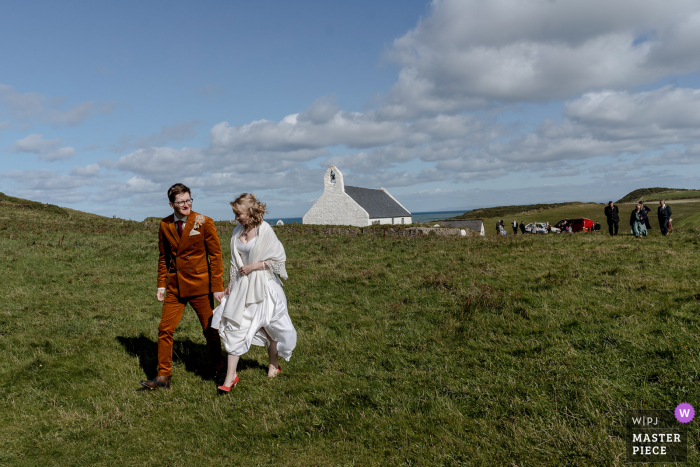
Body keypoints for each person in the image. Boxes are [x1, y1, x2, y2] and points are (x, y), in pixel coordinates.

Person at [140, 183, 225, 390]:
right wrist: (161, 284)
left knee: (210, 330)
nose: (186, 205)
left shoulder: (203, 222)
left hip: (200, 286)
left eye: (188, 200)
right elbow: (164, 257)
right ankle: (163, 376)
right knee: (164, 329)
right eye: (181, 202)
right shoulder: (165, 224)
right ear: (172, 204)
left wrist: (217, 287)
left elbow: (215, 256)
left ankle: (219, 369)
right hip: (175, 288)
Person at [214, 193, 297, 392]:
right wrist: (229, 288)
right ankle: (230, 377)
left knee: (272, 329)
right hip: (243, 288)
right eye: (234, 214)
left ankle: (273, 364)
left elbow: (278, 260)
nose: (236, 218)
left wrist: (253, 267)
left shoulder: (264, 230)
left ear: (251, 212)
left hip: (264, 287)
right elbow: (235, 264)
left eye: (238, 214)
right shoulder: (236, 232)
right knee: (235, 326)